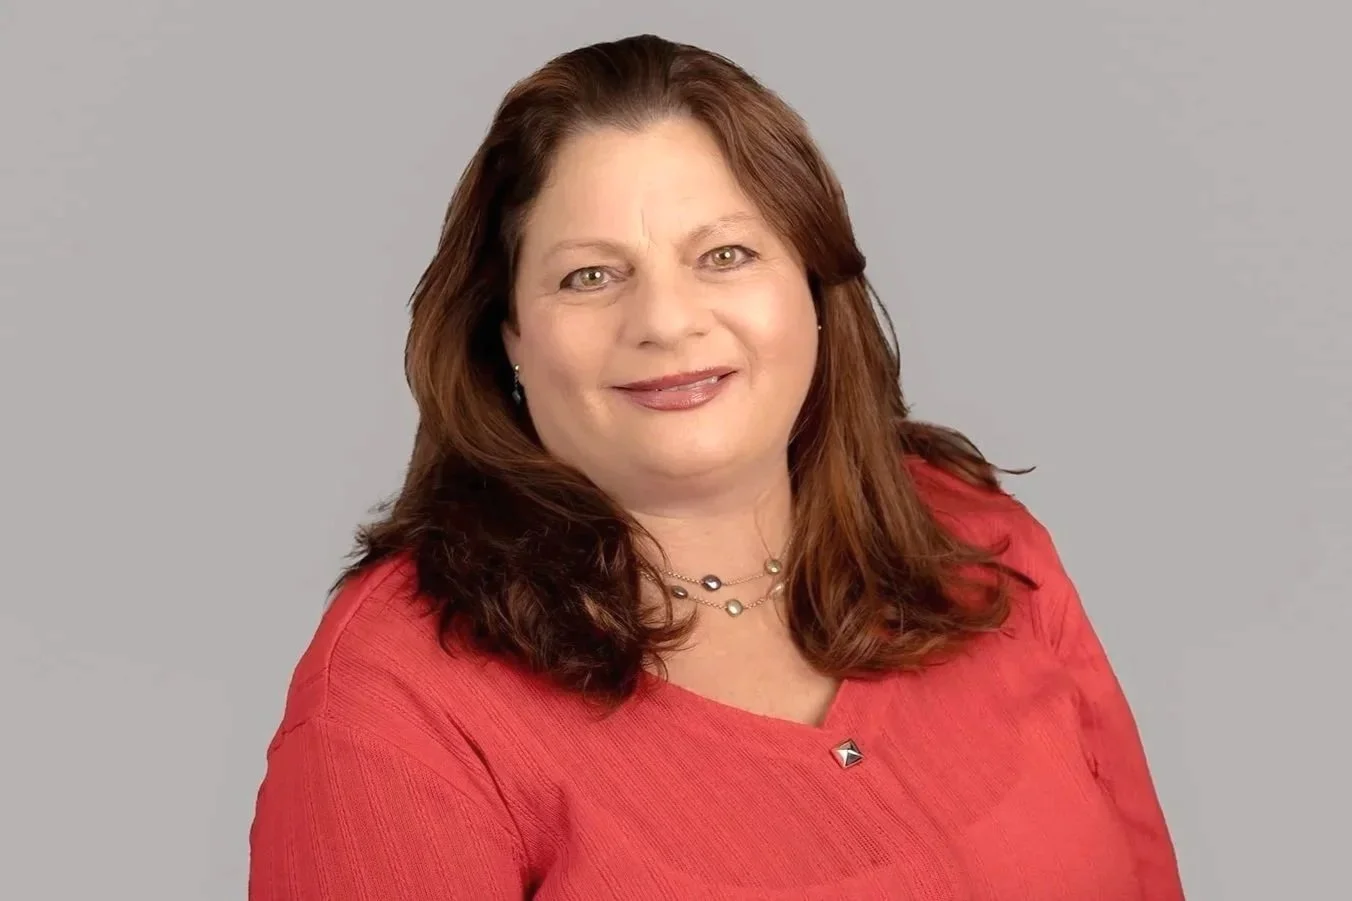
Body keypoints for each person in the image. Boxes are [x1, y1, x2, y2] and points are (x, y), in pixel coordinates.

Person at [247, 33, 1185, 900]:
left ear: (815, 292)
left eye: (725, 254)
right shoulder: (391, 705)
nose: (667, 320)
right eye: (590, 275)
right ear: (510, 340)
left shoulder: (977, 540)